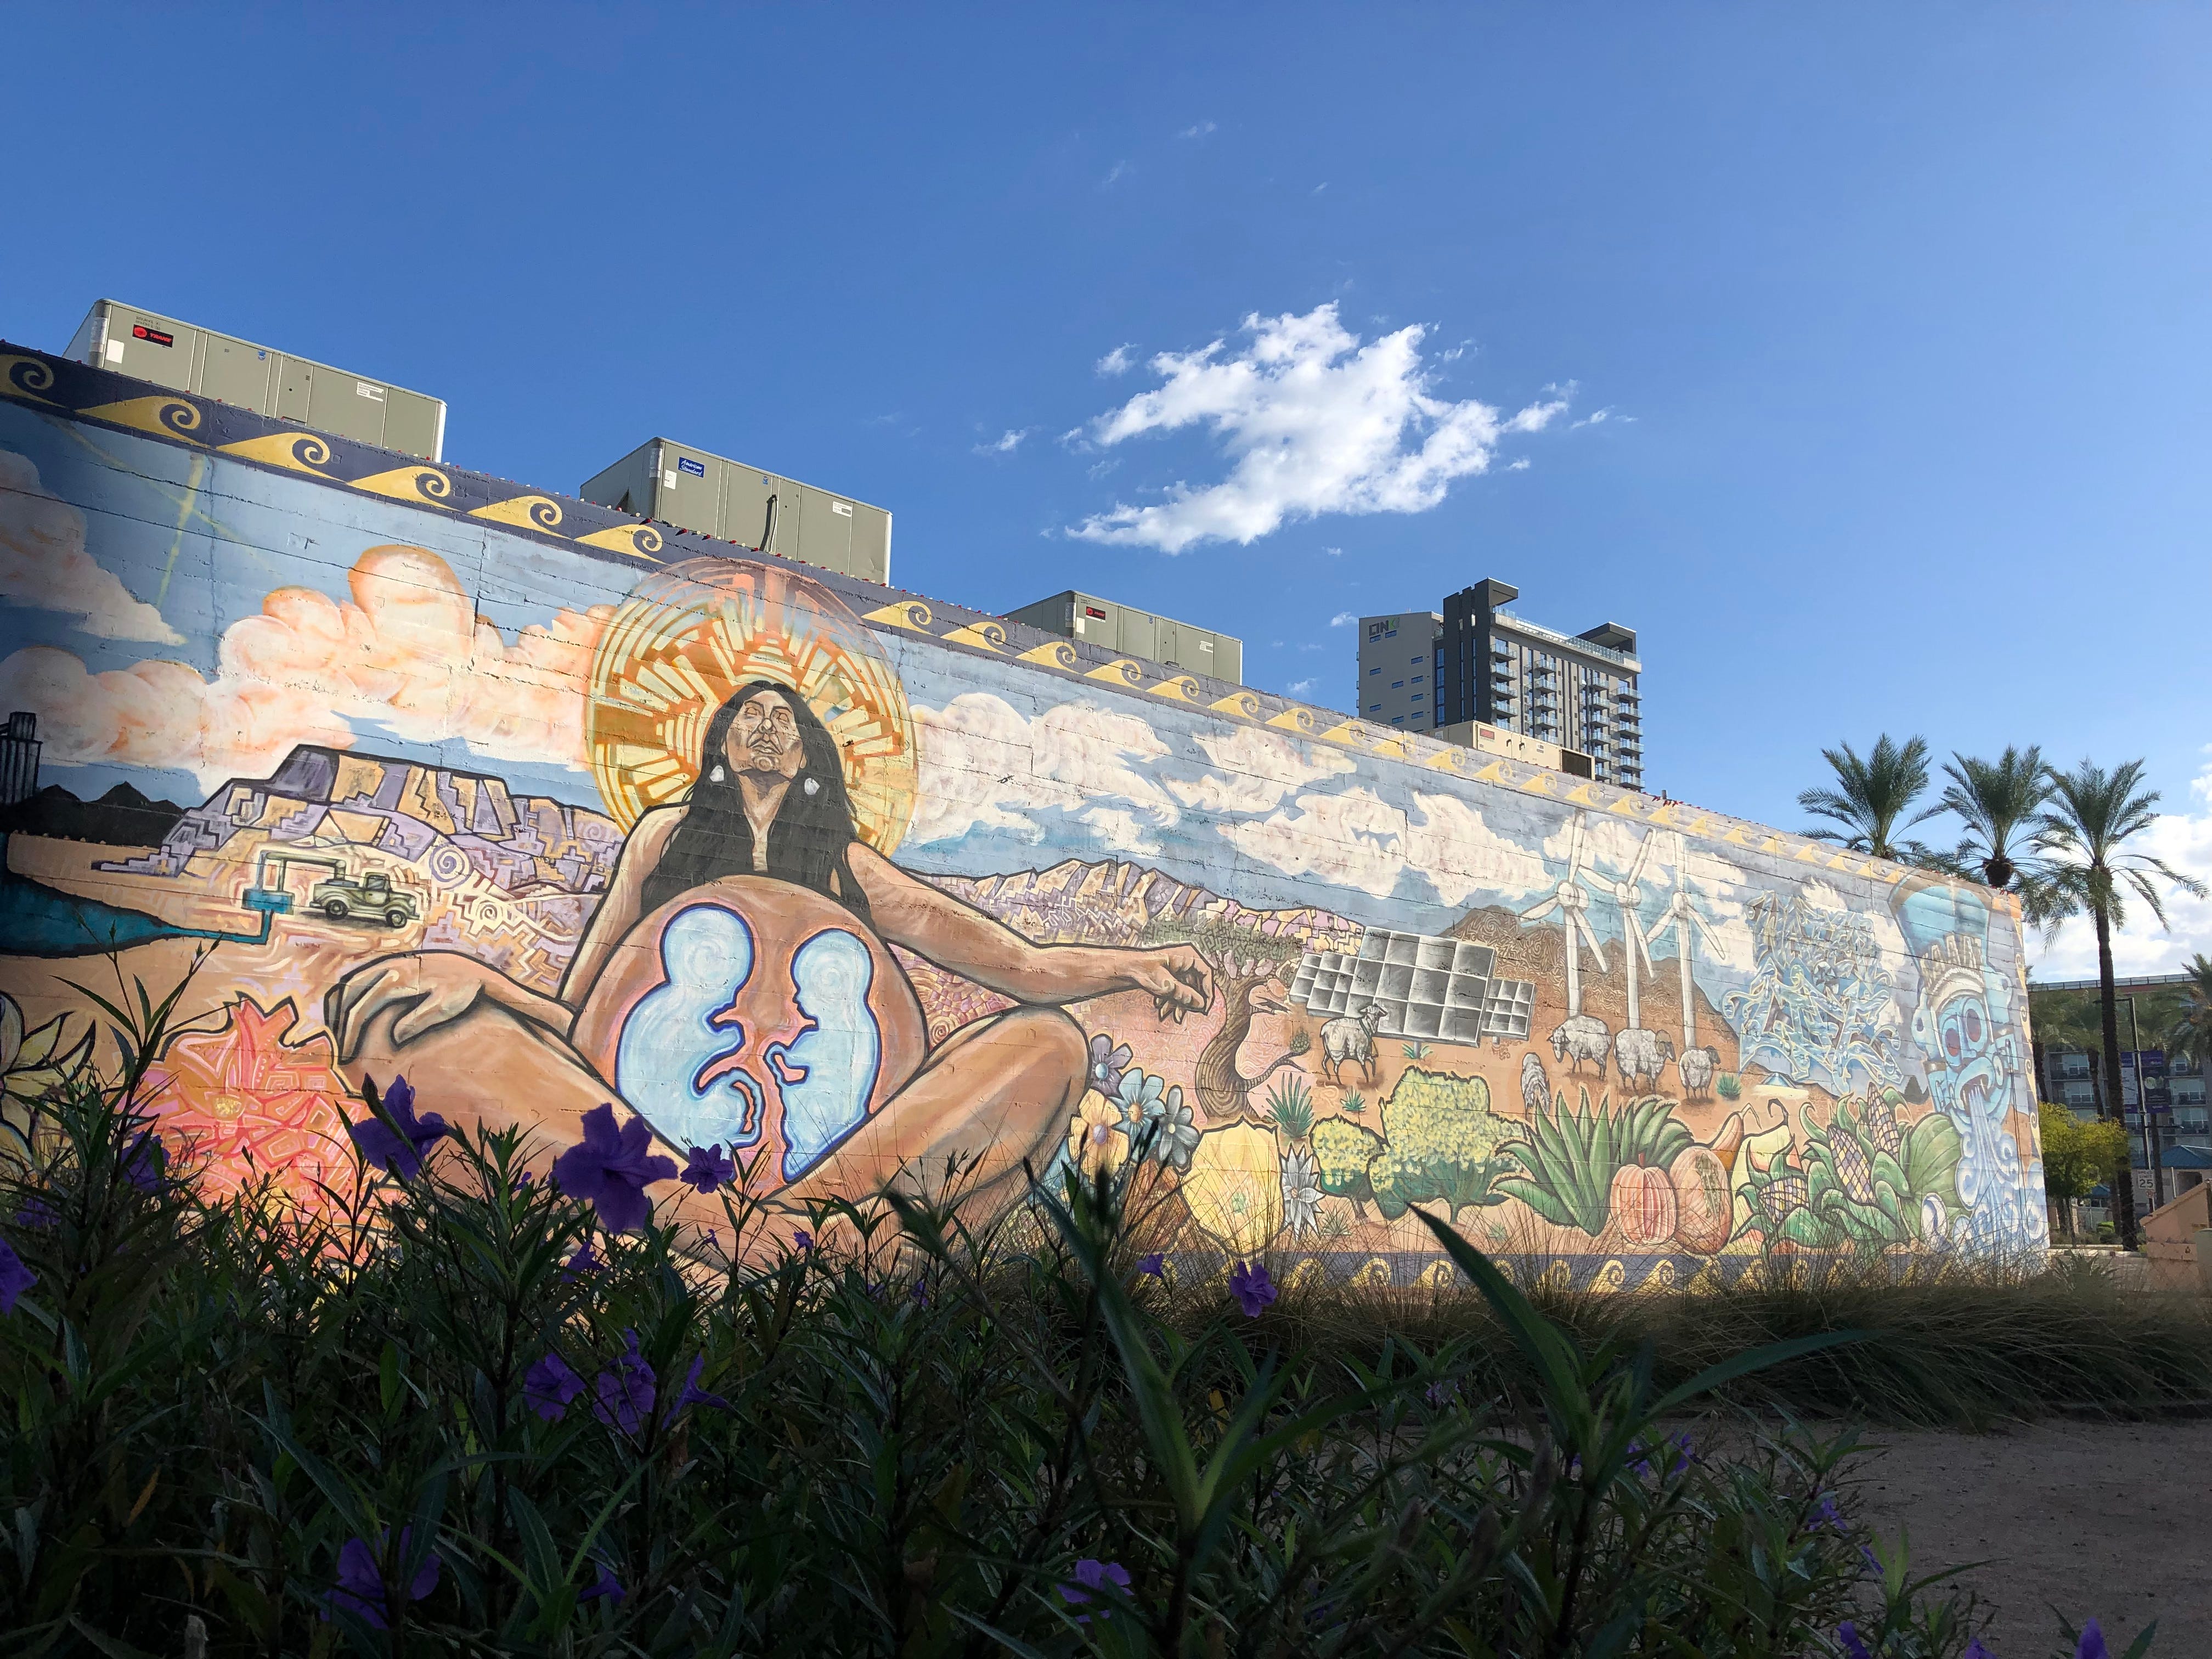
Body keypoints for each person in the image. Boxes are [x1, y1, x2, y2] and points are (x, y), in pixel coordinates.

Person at [325, 680, 1213, 1224]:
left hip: (838, 1159)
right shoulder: (663, 842)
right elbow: (579, 1014)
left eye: (782, 719)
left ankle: (730, 1246)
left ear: (809, 755)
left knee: (1051, 1045)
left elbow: (1015, 965)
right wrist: (478, 980)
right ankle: (785, 1249)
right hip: (641, 1145)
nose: (764, 726)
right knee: (396, 1031)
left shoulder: (847, 867)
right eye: (747, 716)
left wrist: (1129, 964)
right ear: (719, 750)